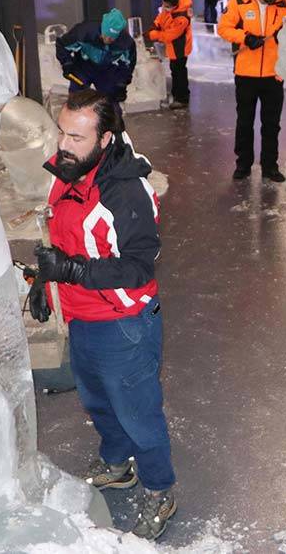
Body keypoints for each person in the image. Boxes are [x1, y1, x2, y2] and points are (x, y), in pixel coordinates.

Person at [28, 89, 176, 540]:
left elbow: (137, 266)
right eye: (61, 132)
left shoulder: (126, 192)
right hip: (82, 317)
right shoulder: (67, 173)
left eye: (77, 136)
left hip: (123, 325)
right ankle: (118, 465)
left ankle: (160, 489)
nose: (64, 144)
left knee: (138, 414)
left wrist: (70, 270)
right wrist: (45, 282)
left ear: (106, 138)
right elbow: (65, 239)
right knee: (97, 403)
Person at [217, 0, 286, 182]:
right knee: (245, 122)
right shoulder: (240, 2)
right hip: (246, 75)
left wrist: (283, 35)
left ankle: (270, 167)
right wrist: (246, 38)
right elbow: (223, 28)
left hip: (274, 75)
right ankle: (243, 165)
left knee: (271, 124)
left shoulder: (282, 6)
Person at [55, 8, 136, 102]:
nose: (109, 39)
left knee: (110, 103)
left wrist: (121, 84)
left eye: (112, 38)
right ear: (103, 28)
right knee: (77, 100)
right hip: (83, 66)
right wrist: (66, 63)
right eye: (107, 35)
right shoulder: (84, 31)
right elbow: (62, 45)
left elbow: (128, 65)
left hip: (106, 69)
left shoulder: (125, 42)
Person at [146, 0, 193, 110]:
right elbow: (162, 17)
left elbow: (170, 35)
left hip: (180, 46)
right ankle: (176, 94)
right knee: (175, 69)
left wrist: (153, 34)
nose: (164, 7)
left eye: (167, 6)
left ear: (175, 5)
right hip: (173, 46)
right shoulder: (170, 8)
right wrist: (155, 25)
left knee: (179, 71)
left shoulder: (182, 17)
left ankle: (182, 98)